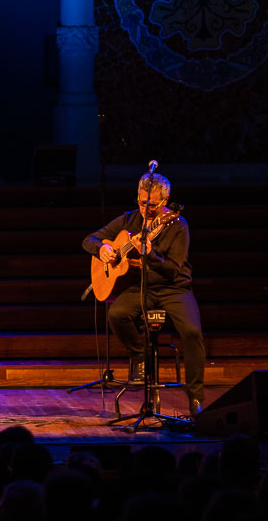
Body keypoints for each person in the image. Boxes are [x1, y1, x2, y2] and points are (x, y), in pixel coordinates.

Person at [82, 172, 205, 415]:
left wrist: (151, 255)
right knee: (117, 314)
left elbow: (173, 270)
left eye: (153, 204)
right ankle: (140, 356)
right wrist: (103, 248)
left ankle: (195, 398)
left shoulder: (176, 224)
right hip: (140, 287)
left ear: (165, 200)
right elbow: (89, 240)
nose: (146, 208)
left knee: (192, 332)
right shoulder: (129, 220)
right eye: (141, 202)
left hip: (174, 288)